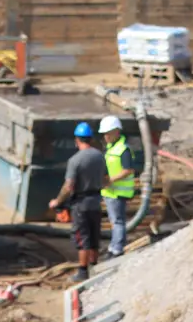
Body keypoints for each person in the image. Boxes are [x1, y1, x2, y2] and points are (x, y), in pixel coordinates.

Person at [48, 122, 108, 282]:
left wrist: (57, 201)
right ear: (91, 139)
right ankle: (95, 268)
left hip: (81, 204)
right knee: (95, 237)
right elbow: (105, 180)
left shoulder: (75, 160)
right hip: (96, 201)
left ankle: (82, 272)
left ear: (77, 140)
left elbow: (69, 186)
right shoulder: (99, 156)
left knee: (83, 239)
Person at [98, 115, 137, 258]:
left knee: (117, 221)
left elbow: (128, 170)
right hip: (110, 191)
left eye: (108, 133)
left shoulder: (123, 149)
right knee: (115, 221)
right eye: (104, 134)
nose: (105, 136)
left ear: (116, 131)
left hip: (118, 192)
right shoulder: (111, 148)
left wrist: (111, 180)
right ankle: (115, 244)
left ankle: (117, 249)